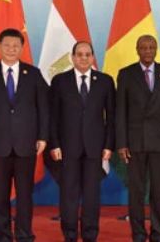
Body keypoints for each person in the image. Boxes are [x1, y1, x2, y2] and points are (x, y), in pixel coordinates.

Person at [0, 28, 50, 242]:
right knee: (1, 194)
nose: (11, 49)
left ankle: (24, 234)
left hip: (26, 143)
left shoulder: (33, 74)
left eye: (16, 46)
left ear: (22, 48)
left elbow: (43, 108)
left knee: (25, 194)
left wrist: (43, 137)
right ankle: (3, 234)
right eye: (7, 45)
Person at [115, 34, 160, 242]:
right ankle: (138, 233)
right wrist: (121, 143)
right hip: (135, 142)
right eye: (143, 47)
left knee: (159, 191)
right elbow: (120, 111)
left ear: (156, 50)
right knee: (136, 191)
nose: (147, 51)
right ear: (137, 50)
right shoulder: (126, 74)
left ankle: (158, 232)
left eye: (151, 47)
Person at [49, 41, 115, 242]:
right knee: (68, 194)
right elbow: (53, 116)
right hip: (67, 148)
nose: (84, 58)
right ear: (73, 57)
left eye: (87, 54)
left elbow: (112, 117)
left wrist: (108, 145)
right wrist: (54, 143)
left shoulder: (105, 81)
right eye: (79, 54)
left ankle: (90, 234)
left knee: (92, 195)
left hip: (95, 148)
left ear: (93, 57)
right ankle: (69, 234)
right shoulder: (60, 81)